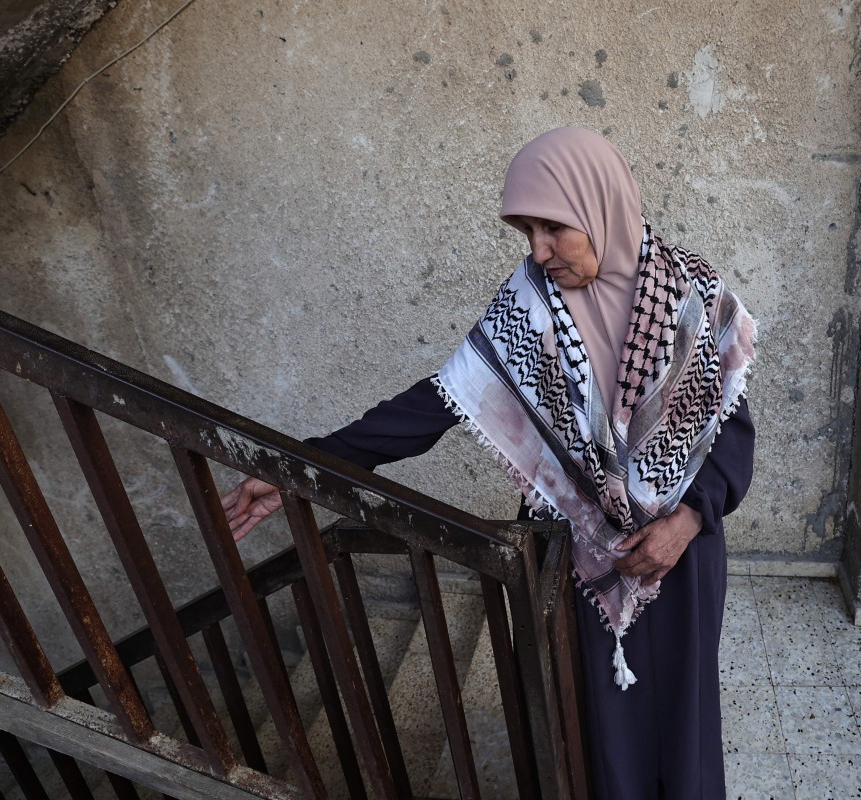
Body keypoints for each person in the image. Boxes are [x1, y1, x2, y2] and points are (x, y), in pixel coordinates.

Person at [222, 126, 756, 800]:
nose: (537, 249)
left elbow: (731, 435)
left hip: (683, 558)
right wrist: (300, 467)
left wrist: (686, 523)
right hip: (576, 559)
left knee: (683, 720)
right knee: (593, 727)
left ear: (600, 207)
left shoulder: (695, 296)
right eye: (525, 229)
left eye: (553, 227)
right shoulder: (530, 306)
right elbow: (431, 406)